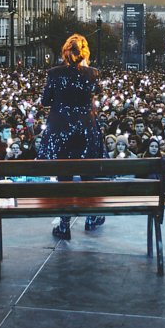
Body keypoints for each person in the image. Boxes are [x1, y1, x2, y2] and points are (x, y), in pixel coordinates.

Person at [37, 34, 105, 240]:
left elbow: (45, 100)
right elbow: (96, 92)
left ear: (65, 53)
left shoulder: (55, 73)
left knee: (63, 177)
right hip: (86, 130)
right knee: (88, 174)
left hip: (61, 130)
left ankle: (64, 224)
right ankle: (91, 217)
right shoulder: (93, 74)